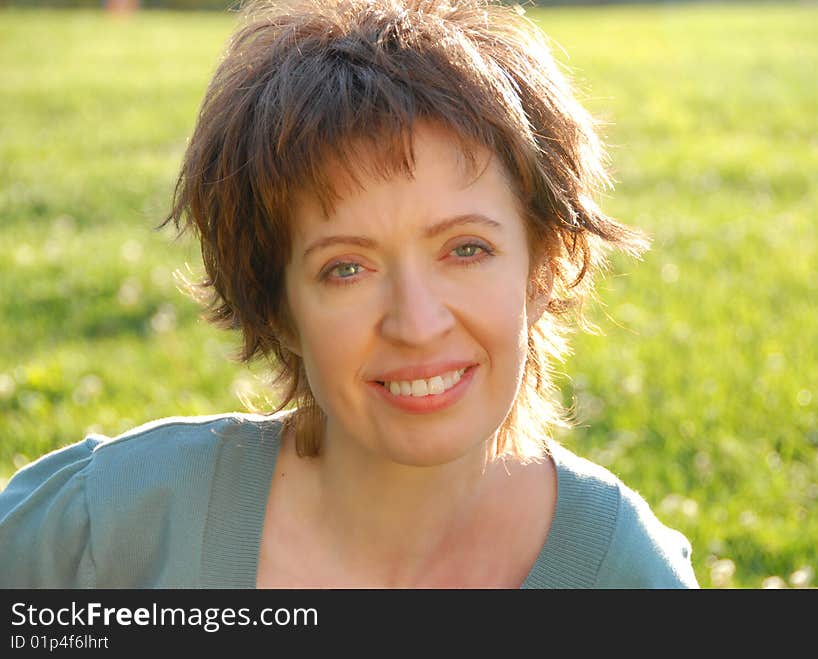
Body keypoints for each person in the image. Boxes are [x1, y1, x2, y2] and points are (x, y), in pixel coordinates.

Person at [0, 0, 698, 588]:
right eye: (346, 268)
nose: (417, 324)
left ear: (543, 267)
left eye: (466, 249)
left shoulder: (622, 570)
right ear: (277, 306)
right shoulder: (121, 522)